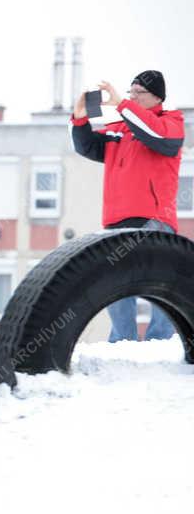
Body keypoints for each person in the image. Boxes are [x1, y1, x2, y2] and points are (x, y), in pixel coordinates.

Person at [70, 70, 185, 342]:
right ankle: (123, 342)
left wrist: (123, 104)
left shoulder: (171, 122)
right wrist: (80, 116)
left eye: (139, 92)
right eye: (130, 91)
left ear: (157, 97)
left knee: (161, 283)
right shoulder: (120, 130)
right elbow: (86, 146)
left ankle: (160, 343)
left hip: (153, 218)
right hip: (116, 220)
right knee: (113, 285)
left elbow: (158, 138)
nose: (132, 97)